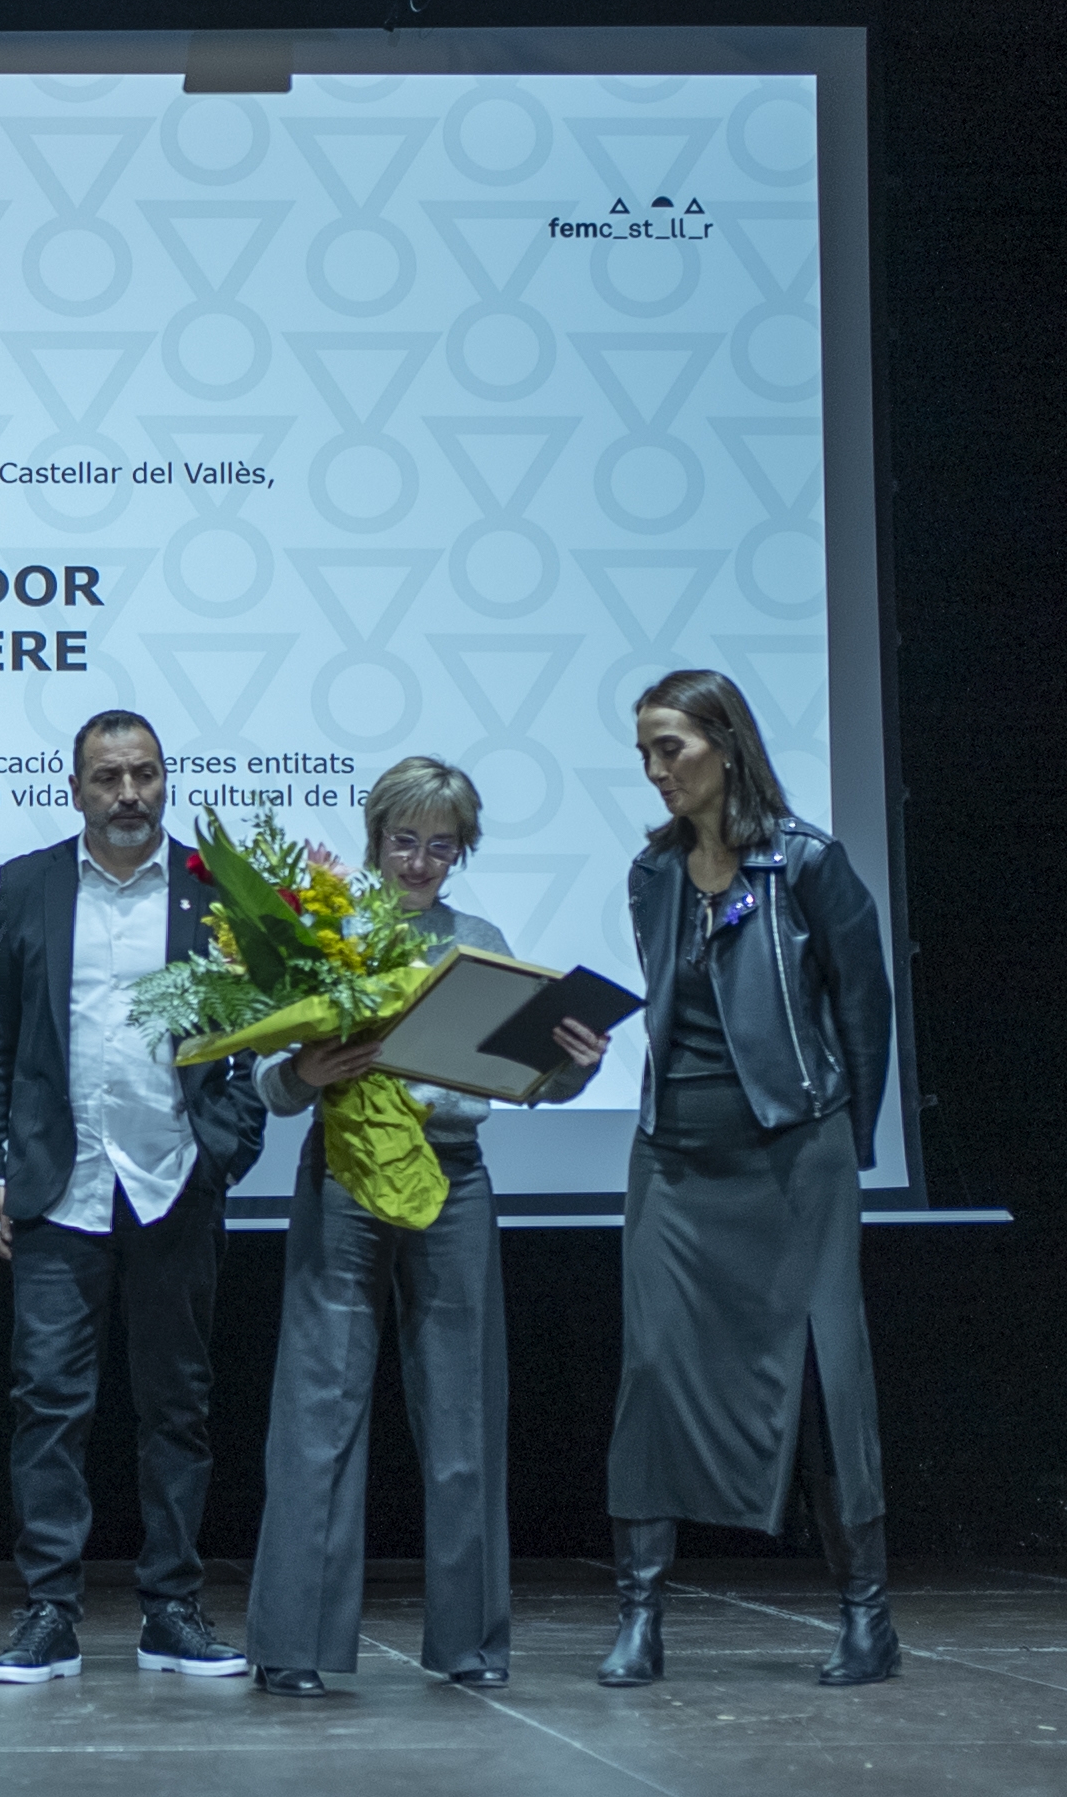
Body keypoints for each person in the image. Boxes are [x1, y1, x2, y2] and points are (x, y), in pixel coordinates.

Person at [242, 757, 608, 1698]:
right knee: (318, 1414)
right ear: (375, 840)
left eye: (440, 845)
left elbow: (530, 1078)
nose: (419, 861)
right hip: (347, 1174)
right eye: (405, 841)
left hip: (453, 1178)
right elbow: (269, 1081)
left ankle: (470, 1647)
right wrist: (307, 1076)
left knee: (462, 1414)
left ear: (462, 851)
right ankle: (296, 1646)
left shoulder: (478, 940)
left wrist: (575, 1064)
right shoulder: (329, 928)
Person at [598, 668, 898, 1690]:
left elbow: (863, 1008)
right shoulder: (650, 875)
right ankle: (639, 1616)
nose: (654, 771)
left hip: (792, 1155)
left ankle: (865, 1614)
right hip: (673, 1159)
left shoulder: (805, 863)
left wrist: (844, 1148)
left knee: (823, 1374)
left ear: (724, 742)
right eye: (642, 752)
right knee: (650, 1373)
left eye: (669, 748)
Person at [0, 709, 270, 1684]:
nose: (128, 793)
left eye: (143, 774)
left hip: (172, 1183)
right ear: (75, 787)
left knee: (175, 1405)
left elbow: (249, 1041)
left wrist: (218, 1153)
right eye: (107, 777)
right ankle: (47, 1612)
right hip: (60, 1186)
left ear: (164, 780)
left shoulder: (215, 887)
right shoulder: (26, 885)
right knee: (46, 1405)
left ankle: (170, 1608)